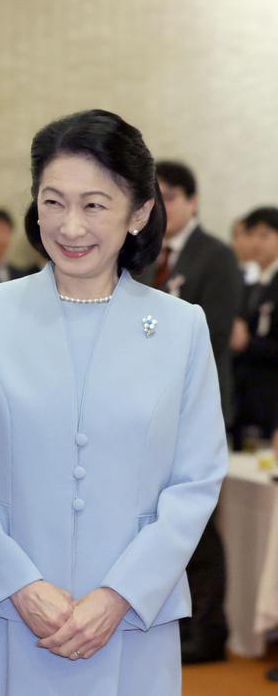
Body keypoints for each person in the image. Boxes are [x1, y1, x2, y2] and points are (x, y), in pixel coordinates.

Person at [0, 110, 228, 695]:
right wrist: (18, 583)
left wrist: (119, 594)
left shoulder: (180, 327)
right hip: (4, 612)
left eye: (94, 205)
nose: (71, 226)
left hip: (129, 623)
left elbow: (196, 479)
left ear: (139, 212)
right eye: (53, 202)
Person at [138, 160, 240, 662]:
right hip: (147, 407)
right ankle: (173, 622)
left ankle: (208, 629)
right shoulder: (142, 252)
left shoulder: (215, 256)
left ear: (193, 200)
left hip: (198, 403)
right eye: (155, 195)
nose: (164, 205)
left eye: (171, 195)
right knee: (156, 517)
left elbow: (217, 333)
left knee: (197, 525)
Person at [232, 207, 278, 452]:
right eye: (252, 235)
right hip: (243, 398)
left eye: (264, 235)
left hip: (270, 399)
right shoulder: (247, 282)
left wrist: (248, 342)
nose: (256, 243)